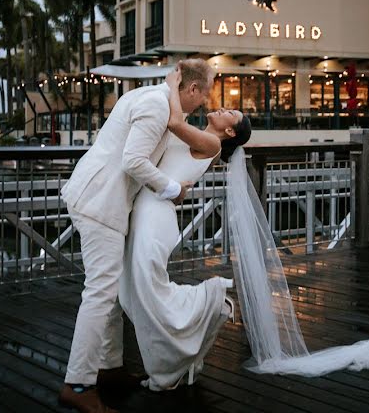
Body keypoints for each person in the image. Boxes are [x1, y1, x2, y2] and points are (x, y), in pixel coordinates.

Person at [58, 60, 213, 413]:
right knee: (99, 293)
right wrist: (172, 188)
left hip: (101, 199)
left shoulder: (158, 99)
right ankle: (78, 383)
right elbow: (132, 160)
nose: (206, 100)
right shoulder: (157, 104)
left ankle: (109, 369)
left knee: (107, 293)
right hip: (102, 203)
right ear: (191, 89)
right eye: (204, 92)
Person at [119, 67, 252, 390]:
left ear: (230, 133)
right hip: (149, 209)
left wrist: (171, 85)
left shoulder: (211, 144)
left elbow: (174, 122)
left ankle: (212, 301)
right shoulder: (202, 133)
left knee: (150, 289)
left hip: (156, 216)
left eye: (229, 113)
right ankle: (177, 358)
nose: (222, 108)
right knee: (132, 293)